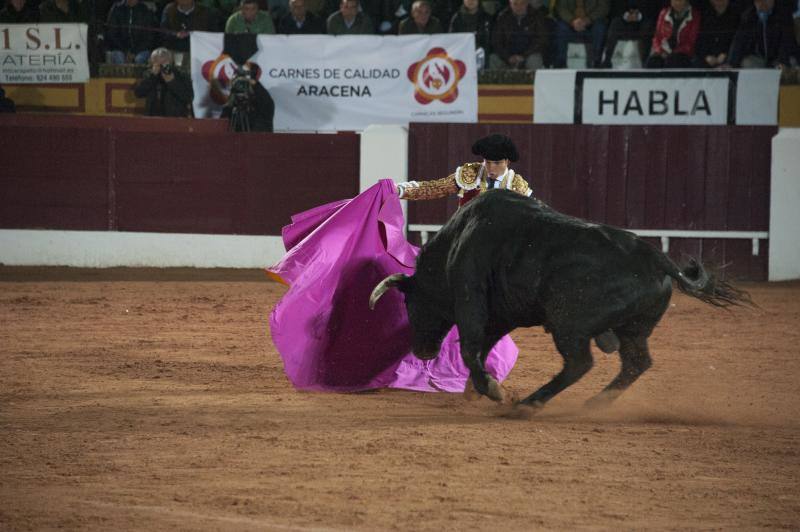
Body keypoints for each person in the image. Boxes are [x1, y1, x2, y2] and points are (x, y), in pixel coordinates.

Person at [396, 134, 533, 205]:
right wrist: (400, 190)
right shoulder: (470, 173)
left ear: (507, 161)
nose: (491, 168)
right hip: (465, 239)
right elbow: (434, 188)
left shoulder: (517, 186)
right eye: (487, 162)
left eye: (497, 163)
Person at [727, 0, 795, 68]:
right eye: (759, 1)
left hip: (779, 57)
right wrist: (730, 64)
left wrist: (782, 61)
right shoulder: (748, 16)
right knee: (747, 62)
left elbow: (787, 40)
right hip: (759, 58)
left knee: (791, 62)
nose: (763, 3)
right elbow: (739, 42)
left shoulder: (784, 15)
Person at [489, 0, 549, 71]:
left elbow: (542, 40)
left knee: (535, 59)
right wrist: (508, 57)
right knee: (493, 58)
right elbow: (496, 42)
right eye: (515, 4)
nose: (519, 7)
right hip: (508, 58)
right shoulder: (502, 17)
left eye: (522, 3)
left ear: (527, 3)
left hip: (529, 56)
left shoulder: (536, 16)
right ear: (510, 4)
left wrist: (524, 56)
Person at [133, 47, 194, 117]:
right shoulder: (149, 74)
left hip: (175, 118)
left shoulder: (181, 74)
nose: (161, 68)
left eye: (164, 64)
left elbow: (188, 97)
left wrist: (172, 82)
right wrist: (152, 77)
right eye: (157, 64)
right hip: (153, 117)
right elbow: (138, 93)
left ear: (170, 61)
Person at [599, 0, 659, 67]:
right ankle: (607, 60)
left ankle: (645, 62)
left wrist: (639, 16)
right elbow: (615, 7)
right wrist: (625, 16)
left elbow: (653, 8)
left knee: (648, 26)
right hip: (624, 20)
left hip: (643, 21)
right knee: (615, 23)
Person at [553, 0, 609, 68]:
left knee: (600, 27)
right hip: (571, 24)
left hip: (591, 23)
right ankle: (561, 62)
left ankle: (596, 61)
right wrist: (572, 21)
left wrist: (588, 20)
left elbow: (603, 7)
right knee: (561, 27)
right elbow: (561, 7)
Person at [645, 0, 700, 68]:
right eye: (674, 0)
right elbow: (657, 37)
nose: (677, 3)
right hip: (664, 52)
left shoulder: (695, 15)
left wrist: (673, 53)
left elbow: (690, 42)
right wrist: (660, 51)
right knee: (653, 61)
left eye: (680, 1)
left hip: (683, 54)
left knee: (673, 61)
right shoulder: (664, 13)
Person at [105, 0, 158, 64]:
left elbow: (149, 37)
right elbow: (111, 34)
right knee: (119, 59)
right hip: (119, 49)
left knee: (139, 59)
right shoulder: (117, 9)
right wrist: (125, 51)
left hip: (141, 49)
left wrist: (134, 52)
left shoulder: (146, 10)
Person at [693, 0, 739, 68]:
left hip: (728, 58)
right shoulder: (705, 16)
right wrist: (706, 56)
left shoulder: (736, 17)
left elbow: (737, 41)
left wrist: (725, 54)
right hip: (708, 57)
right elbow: (700, 41)